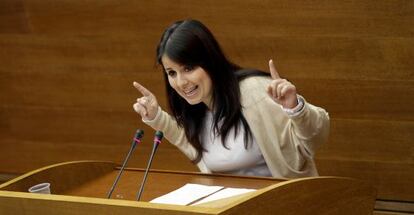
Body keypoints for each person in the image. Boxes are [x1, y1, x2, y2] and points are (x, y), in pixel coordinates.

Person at [132, 19, 329, 178]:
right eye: (172, 73)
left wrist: (295, 109)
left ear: (209, 61)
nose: (181, 82)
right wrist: (156, 116)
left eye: (188, 68)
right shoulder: (196, 111)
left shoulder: (256, 91)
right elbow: (184, 139)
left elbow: (314, 139)